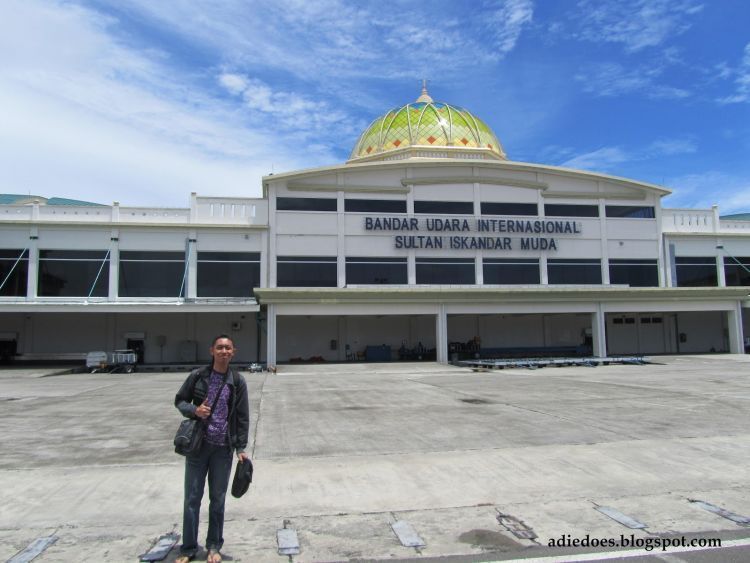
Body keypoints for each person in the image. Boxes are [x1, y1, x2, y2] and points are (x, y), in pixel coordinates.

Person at [174, 334, 250, 563]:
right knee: (192, 499)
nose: (224, 351)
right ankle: (188, 549)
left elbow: (242, 416)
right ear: (212, 351)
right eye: (220, 347)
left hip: (222, 450)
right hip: (198, 447)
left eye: (228, 348)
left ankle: (214, 546)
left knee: (217, 499)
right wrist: (194, 411)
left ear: (233, 352)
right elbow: (179, 400)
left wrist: (240, 448)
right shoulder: (198, 376)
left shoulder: (237, 381)